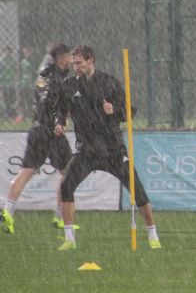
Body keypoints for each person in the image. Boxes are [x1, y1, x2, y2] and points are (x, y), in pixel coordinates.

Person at [54, 45, 161, 250]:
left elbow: (129, 112)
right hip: (86, 150)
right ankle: (69, 239)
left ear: (91, 60)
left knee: (137, 190)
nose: (75, 67)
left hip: (113, 150)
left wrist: (115, 111)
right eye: (74, 63)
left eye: (79, 63)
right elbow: (59, 109)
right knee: (66, 186)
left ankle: (153, 234)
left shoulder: (109, 82)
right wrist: (59, 122)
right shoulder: (69, 85)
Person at [0, 44, 75, 234]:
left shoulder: (43, 74)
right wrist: (60, 120)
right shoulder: (59, 78)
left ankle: (8, 212)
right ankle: (60, 217)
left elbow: (42, 100)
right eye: (69, 56)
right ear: (62, 57)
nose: (71, 60)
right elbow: (53, 103)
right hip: (52, 131)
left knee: (25, 172)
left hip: (36, 129)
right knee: (68, 172)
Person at [0, 46, 18, 120]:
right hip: (5, 83)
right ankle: (7, 114)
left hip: (11, 83)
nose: (7, 53)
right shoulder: (2, 61)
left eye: (8, 51)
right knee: (6, 99)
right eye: (5, 51)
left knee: (12, 99)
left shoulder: (13, 60)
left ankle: (11, 114)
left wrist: (15, 79)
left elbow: (15, 71)